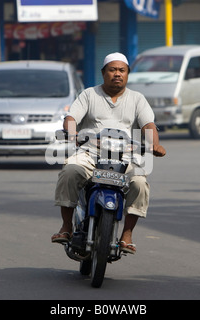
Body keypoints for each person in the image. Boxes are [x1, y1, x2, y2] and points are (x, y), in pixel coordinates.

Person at [51, 52, 166, 254]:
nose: (117, 74)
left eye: (122, 70)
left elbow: (149, 125)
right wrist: (71, 134)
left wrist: (154, 144)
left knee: (139, 183)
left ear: (128, 74)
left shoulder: (137, 99)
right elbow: (71, 118)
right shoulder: (89, 95)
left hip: (126, 155)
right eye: (112, 70)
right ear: (104, 73)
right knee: (70, 171)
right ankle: (66, 227)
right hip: (90, 152)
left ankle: (127, 235)